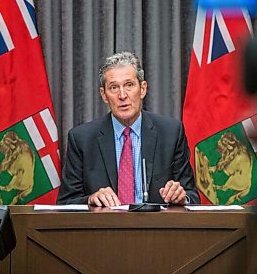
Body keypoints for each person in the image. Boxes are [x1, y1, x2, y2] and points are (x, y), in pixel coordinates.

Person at [57, 52, 199, 207]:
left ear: (143, 89)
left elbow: (192, 196)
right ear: (104, 95)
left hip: (156, 229)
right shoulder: (82, 139)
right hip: (104, 229)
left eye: (129, 85)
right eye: (114, 87)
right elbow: (66, 203)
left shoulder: (171, 133)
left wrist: (182, 197)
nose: (122, 95)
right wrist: (90, 200)